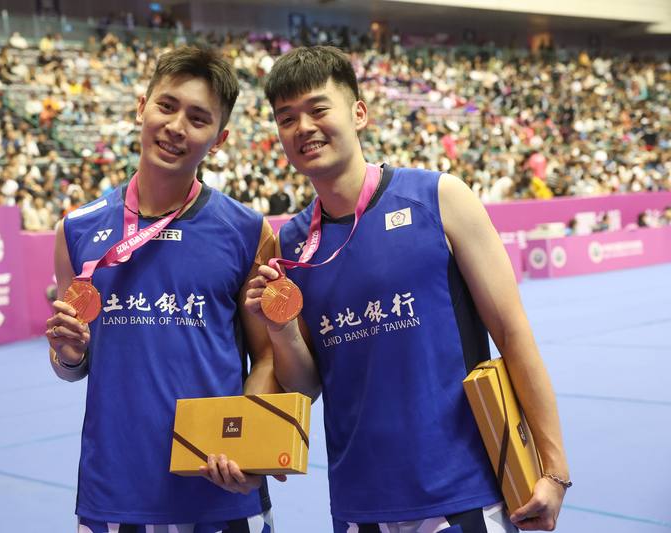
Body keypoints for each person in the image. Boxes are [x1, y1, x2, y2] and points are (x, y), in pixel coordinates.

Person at [245, 46, 570, 532]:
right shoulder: (291, 243)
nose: (303, 128)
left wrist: (554, 469)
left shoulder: (440, 199)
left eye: (318, 109)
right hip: (359, 505)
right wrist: (284, 330)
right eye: (286, 118)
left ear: (359, 112)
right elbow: (307, 385)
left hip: (461, 496)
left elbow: (511, 330)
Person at [45, 46, 280, 533]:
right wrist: (68, 354)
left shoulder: (247, 230)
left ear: (220, 139)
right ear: (141, 106)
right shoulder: (77, 230)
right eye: (166, 106)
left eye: (198, 118)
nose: (176, 127)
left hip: (220, 491)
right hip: (115, 491)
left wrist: (249, 449)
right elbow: (73, 365)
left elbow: (269, 357)